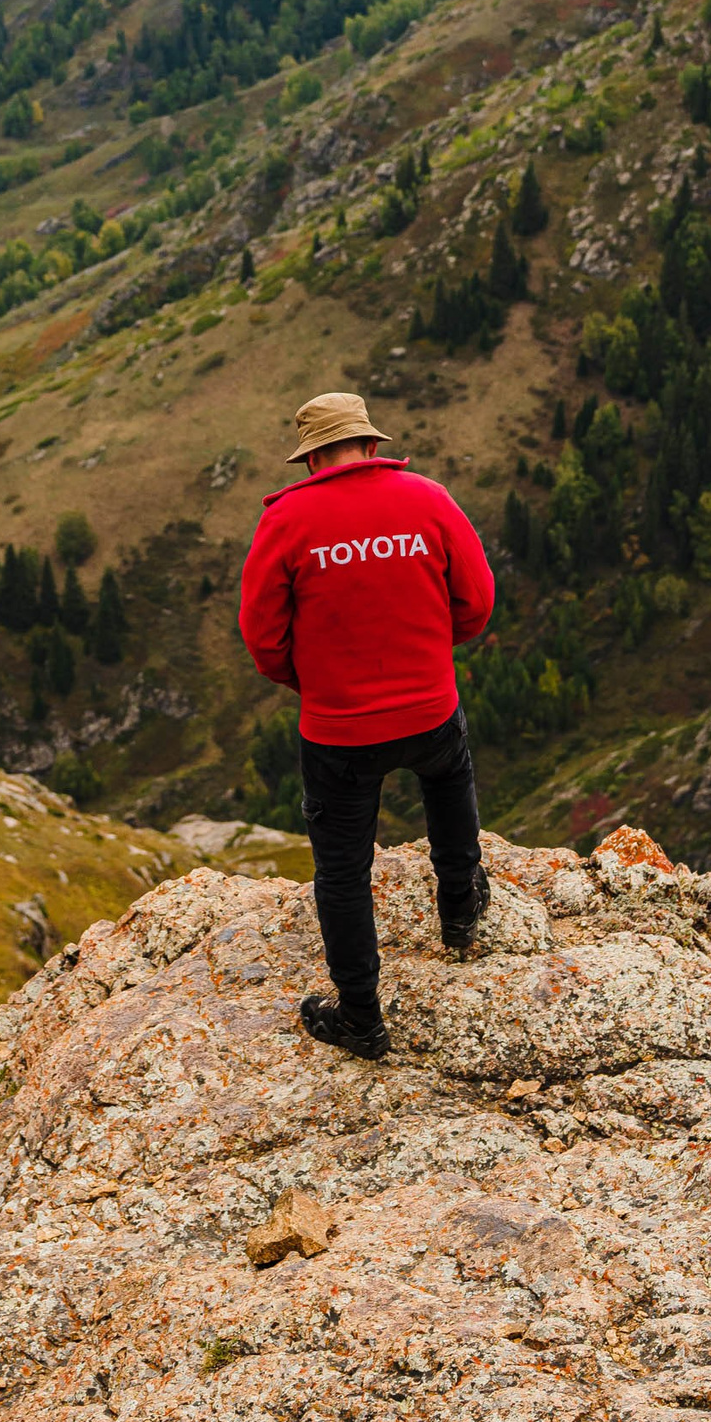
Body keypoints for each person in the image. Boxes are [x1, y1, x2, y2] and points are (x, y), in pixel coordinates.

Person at [237, 389, 497, 1062]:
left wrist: (314, 681)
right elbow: (477, 600)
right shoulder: (429, 499)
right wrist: (432, 657)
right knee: (448, 777)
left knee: (344, 871)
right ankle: (461, 912)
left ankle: (361, 1018)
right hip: (429, 706)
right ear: (372, 444)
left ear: (312, 457)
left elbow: (262, 638)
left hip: (339, 729)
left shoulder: (288, 520)